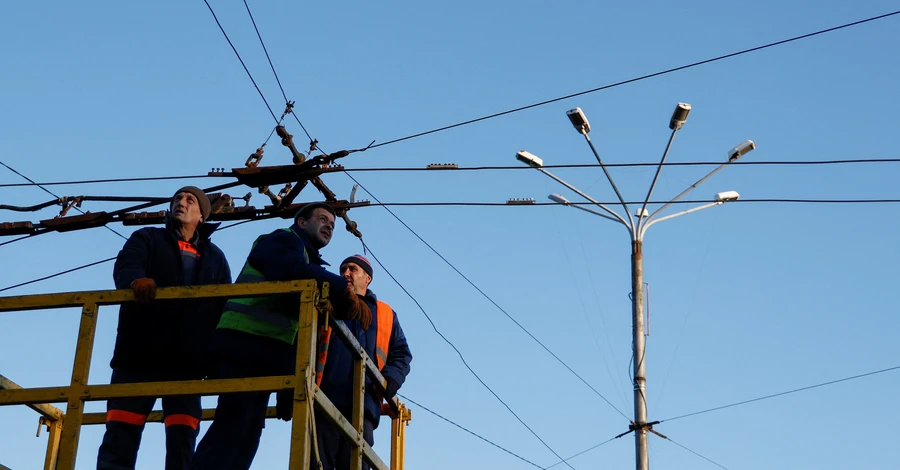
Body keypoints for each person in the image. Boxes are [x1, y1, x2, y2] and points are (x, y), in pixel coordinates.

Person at [190, 202, 369, 470]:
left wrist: (287, 387)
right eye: (322, 219)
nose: (329, 225)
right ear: (301, 223)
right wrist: (341, 288)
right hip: (243, 341)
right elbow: (289, 269)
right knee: (233, 424)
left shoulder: (309, 261)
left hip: (266, 352)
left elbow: (298, 328)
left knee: (249, 431)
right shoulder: (281, 239)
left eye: (332, 223)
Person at [97, 186, 233, 470]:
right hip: (139, 355)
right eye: (177, 199)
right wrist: (135, 280)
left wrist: (216, 357)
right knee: (121, 433)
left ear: (202, 216)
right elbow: (127, 264)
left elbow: (223, 307)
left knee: (182, 439)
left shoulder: (215, 258)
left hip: (187, 362)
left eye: (189, 200)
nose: (180, 203)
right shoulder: (147, 238)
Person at [311, 254, 412, 470]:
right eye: (343, 269)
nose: (346, 273)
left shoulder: (385, 314)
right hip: (323, 398)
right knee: (319, 463)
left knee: (356, 464)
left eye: (352, 269)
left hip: (364, 405)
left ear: (367, 278)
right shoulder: (327, 302)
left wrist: (390, 380)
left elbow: (401, 353)